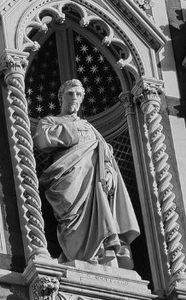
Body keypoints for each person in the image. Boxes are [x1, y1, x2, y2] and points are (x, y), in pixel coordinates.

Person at [34, 80, 141, 265]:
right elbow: (41, 140)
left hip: (94, 180)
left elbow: (104, 155)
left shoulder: (90, 128)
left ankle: (103, 250)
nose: (74, 97)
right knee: (70, 214)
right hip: (67, 177)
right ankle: (77, 252)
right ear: (61, 97)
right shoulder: (51, 121)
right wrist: (74, 129)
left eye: (78, 94)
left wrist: (109, 173)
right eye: (70, 93)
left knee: (99, 201)